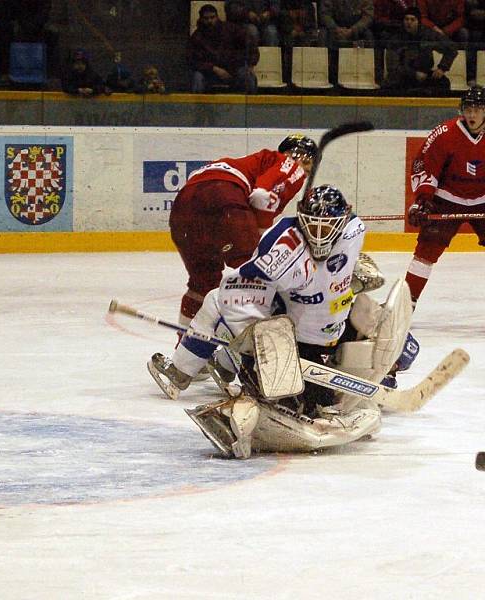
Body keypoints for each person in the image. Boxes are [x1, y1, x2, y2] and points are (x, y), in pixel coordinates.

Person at [149, 186, 397, 458]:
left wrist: (251, 344)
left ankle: (183, 372)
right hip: (319, 339)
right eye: (312, 227)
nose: (318, 235)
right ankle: (225, 364)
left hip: (307, 346)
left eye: (326, 228)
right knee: (237, 311)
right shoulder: (345, 231)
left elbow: (239, 296)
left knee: (216, 301)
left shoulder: (337, 234)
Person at [168, 134, 318, 328]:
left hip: (182, 209)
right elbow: (262, 197)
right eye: (306, 161)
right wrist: (261, 243)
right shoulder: (290, 165)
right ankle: (261, 339)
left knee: (203, 282)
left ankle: (186, 343)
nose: (305, 167)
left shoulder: (245, 164)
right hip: (223, 198)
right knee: (260, 272)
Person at [405, 85, 485, 306]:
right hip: (447, 199)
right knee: (425, 252)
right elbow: (423, 166)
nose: (472, 114)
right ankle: (406, 305)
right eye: (468, 109)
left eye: (477, 109)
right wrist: (423, 201)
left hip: (484, 200)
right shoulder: (444, 134)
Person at [381, 6, 457, 95]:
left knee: (443, 83)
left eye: (412, 20)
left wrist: (442, 68)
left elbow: (451, 47)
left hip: (423, 76)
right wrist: (414, 74)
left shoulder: (428, 34)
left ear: (418, 22)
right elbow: (392, 67)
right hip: (403, 77)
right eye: (406, 19)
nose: (409, 22)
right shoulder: (396, 38)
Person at [187, 1, 260, 93]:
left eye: (212, 17)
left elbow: (250, 44)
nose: (209, 21)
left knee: (247, 76)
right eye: (206, 18)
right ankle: (197, 106)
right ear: (201, 19)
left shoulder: (231, 29)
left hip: (233, 71)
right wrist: (214, 69)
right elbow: (192, 60)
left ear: (217, 17)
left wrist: (251, 64)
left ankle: (250, 106)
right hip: (210, 74)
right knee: (197, 78)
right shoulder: (196, 37)